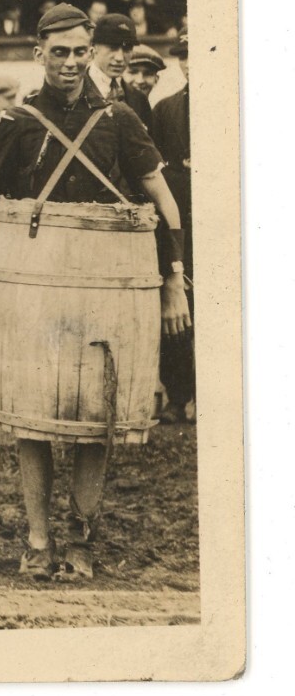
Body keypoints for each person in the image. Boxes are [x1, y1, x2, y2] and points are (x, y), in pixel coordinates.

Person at [0, 3, 192, 580]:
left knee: (97, 419)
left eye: (81, 51)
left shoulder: (119, 119)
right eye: (59, 52)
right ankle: (37, 541)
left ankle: (82, 543)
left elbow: (163, 201)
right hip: (28, 292)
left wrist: (175, 280)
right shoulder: (14, 122)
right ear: (39, 54)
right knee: (31, 421)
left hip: (105, 289)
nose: (71, 62)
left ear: (91, 53)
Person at [151, 36, 194, 424]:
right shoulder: (165, 109)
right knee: (176, 304)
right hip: (181, 220)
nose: (191, 64)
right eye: (184, 57)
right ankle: (179, 395)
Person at [86, 13, 155, 134]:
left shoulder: (138, 99)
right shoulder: (74, 91)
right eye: (112, 47)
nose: (120, 57)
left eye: (127, 49)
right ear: (94, 47)